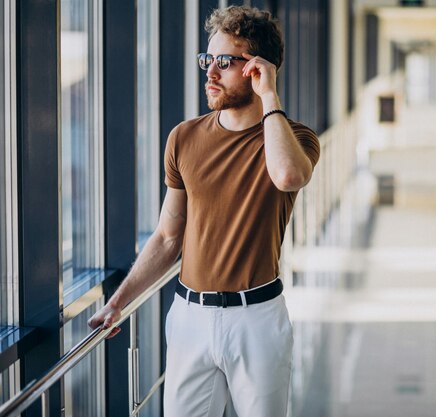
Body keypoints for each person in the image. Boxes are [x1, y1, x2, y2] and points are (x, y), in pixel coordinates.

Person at [88, 6, 320, 417]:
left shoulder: (295, 137)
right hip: (189, 318)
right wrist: (119, 300)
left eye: (225, 62)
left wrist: (269, 96)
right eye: (207, 60)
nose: (210, 73)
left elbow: (287, 176)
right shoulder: (184, 137)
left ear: (258, 68)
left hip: (258, 319)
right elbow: (167, 237)